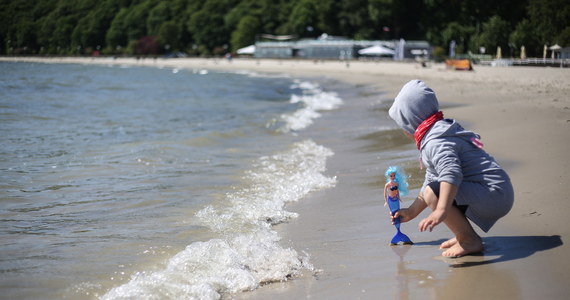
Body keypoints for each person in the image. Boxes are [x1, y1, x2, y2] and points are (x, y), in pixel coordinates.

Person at [388, 80, 514, 257]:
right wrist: (411, 211)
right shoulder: (439, 131)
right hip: (496, 191)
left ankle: (469, 240)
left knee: (436, 194)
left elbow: (450, 174)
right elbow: (432, 179)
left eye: (402, 124)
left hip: (493, 194)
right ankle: (463, 234)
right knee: (436, 190)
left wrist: (441, 210)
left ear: (412, 122)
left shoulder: (435, 142)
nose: (402, 130)